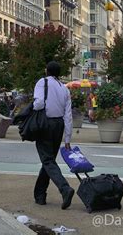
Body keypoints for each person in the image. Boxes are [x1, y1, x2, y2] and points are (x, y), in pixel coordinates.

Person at [32, 61, 75, 210]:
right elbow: (68, 115)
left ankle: (64, 188)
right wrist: (67, 138)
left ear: (46, 70)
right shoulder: (64, 88)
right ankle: (40, 194)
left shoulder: (42, 82)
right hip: (59, 125)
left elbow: (38, 104)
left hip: (45, 123)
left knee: (47, 160)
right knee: (49, 160)